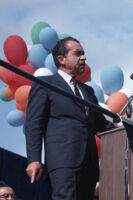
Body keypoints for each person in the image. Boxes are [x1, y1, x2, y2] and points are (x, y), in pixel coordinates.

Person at [25, 37, 115, 200]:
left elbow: (102, 125)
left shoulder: (88, 91)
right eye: (78, 54)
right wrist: (34, 159)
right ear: (61, 59)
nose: (84, 58)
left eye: (84, 54)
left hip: (89, 165)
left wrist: (125, 126)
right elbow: (34, 124)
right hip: (63, 161)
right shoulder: (46, 84)